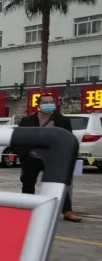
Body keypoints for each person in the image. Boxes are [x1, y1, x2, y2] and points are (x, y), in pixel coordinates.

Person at [16, 92, 81, 223]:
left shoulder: (62, 120)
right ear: (38, 105)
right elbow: (19, 138)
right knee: (28, 184)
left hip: (53, 158)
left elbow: (68, 139)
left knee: (59, 184)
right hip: (32, 157)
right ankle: (27, 208)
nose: (48, 105)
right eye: (45, 103)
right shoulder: (28, 120)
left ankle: (67, 211)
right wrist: (23, 155)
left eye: (50, 102)